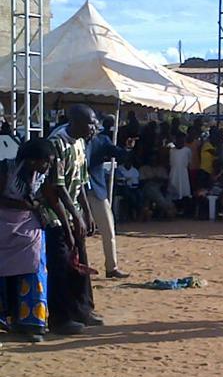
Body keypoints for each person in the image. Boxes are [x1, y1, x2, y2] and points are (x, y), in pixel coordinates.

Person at [42, 104, 102, 334]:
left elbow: (81, 180)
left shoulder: (80, 142)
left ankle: (83, 310)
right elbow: (57, 187)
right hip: (56, 214)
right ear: (74, 121)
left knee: (80, 263)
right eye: (90, 122)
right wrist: (76, 217)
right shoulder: (57, 142)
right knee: (61, 265)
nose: (93, 127)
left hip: (74, 211)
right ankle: (60, 318)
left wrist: (86, 212)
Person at [0, 139, 55, 342]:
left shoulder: (42, 174)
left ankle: (32, 323)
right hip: (4, 223)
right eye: (45, 162)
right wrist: (20, 204)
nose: (47, 167)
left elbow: (46, 196)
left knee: (34, 267)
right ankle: (7, 317)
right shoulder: (5, 169)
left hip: (28, 224)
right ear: (32, 161)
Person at [86, 115, 132, 279]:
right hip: (76, 191)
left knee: (108, 228)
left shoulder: (102, 140)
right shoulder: (72, 141)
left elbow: (119, 155)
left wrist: (127, 148)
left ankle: (111, 267)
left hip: (96, 190)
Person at [139, 154, 176, 219]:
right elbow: (142, 182)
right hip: (149, 187)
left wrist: (159, 181)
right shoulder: (143, 168)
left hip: (161, 186)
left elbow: (166, 180)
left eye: (155, 159)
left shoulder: (161, 169)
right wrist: (153, 179)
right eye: (152, 159)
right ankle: (168, 208)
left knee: (170, 189)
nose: (154, 161)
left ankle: (169, 208)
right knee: (155, 192)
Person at [168, 132, 193, 212]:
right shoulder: (171, 151)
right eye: (178, 139)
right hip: (173, 173)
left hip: (183, 174)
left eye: (182, 140)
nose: (179, 141)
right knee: (174, 191)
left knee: (184, 191)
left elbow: (189, 162)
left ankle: (184, 210)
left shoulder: (187, 150)